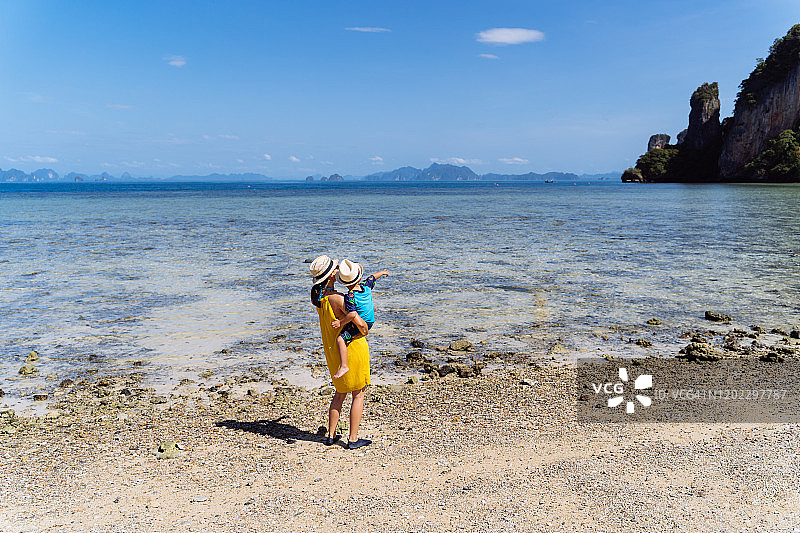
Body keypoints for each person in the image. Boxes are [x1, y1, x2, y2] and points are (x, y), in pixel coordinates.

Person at [309, 255, 373, 450]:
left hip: (333, 350)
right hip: (352, 348)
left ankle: (331, 435)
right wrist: (365, 329)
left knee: (339, 394)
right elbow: (359, 323)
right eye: (335, 268)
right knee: (358, 394)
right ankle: (352, 439)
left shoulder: (320, 299)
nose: (338, 270)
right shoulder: (338, 299)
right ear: (330, 276)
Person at [330, 259, 388, 379]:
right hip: (371, 321)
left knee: (341, 339)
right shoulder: (366, 287)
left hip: (360, 325)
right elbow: (373, 277)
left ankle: (344, 366)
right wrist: (382, 272)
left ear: (344, 284)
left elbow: (352, 315)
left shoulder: (350, 297)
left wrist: (340, 322)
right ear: (360, 279)